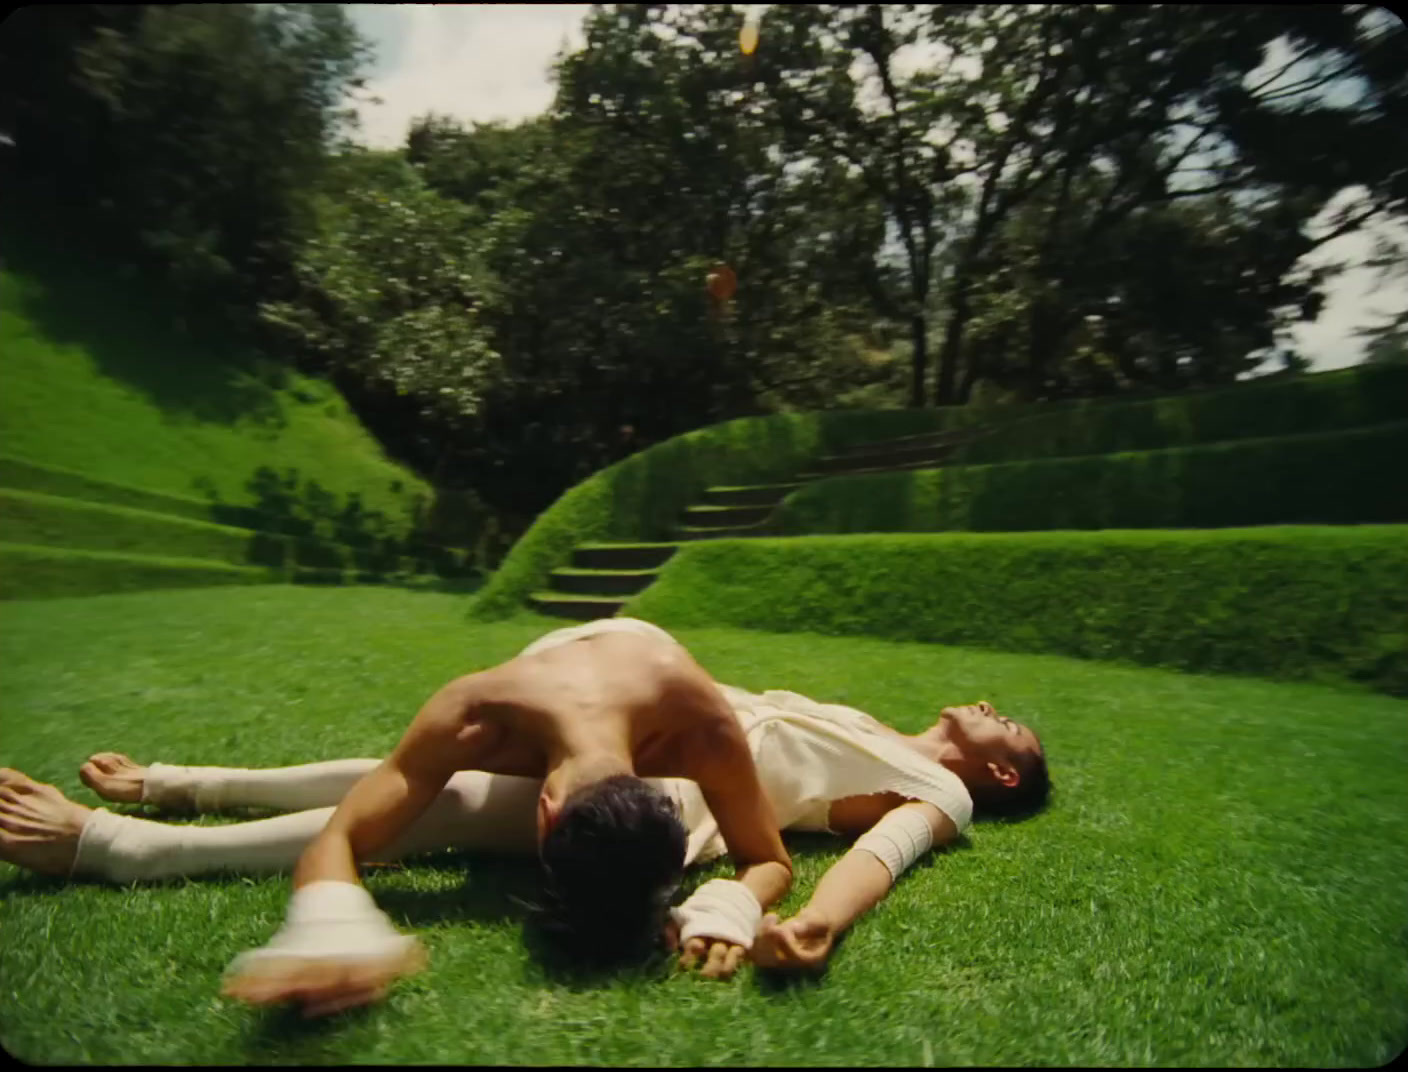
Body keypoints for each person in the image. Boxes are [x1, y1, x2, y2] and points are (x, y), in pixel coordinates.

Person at [0, 618, 1049, 1007]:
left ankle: (125, 843)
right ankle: (184, 783)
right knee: (412, 765)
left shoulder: (943, 787)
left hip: (681, 788)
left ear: (998, 780)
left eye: (1019, 736)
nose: (1004, 717)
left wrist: (779, 906)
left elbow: (883, 852)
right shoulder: (866, 720)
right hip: (656, 718)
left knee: (444, 793)